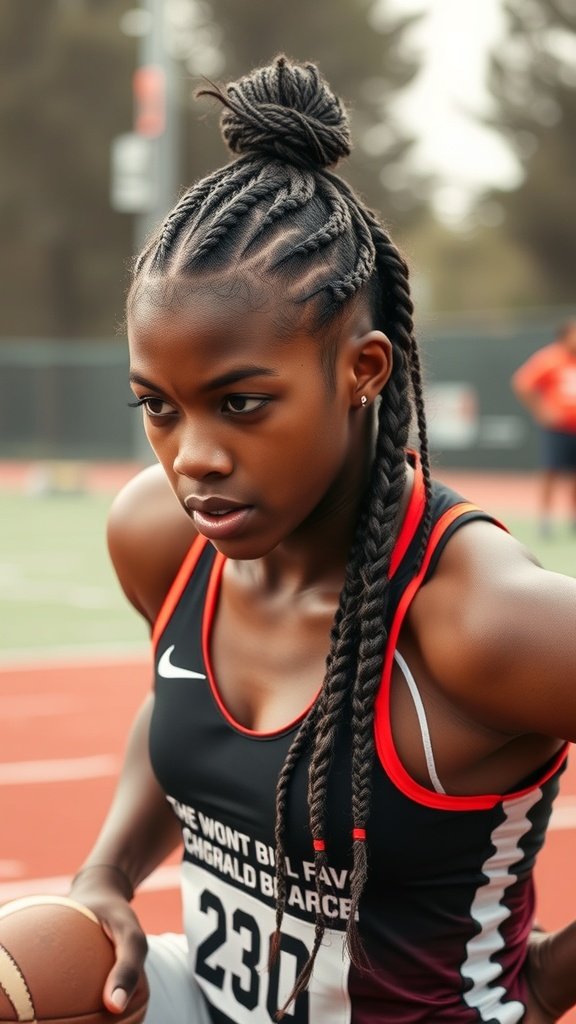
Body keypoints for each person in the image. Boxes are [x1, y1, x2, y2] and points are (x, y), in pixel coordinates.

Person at [68, 56, 576, 1023]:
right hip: (212, 1000)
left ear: (364, 370)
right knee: (24, 965)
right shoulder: (158, 536)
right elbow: (173, 714)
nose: (193, 459)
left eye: (242, 403)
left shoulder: (478, 619)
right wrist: (105, 873)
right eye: (159, 408)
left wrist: (547, 980)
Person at [512, 321, 576, 536]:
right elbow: (523, 384)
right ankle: (545, 519)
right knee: (551, 471)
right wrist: (542, 411)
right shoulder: (550, 359)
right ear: (565, 335)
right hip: (558, 430)